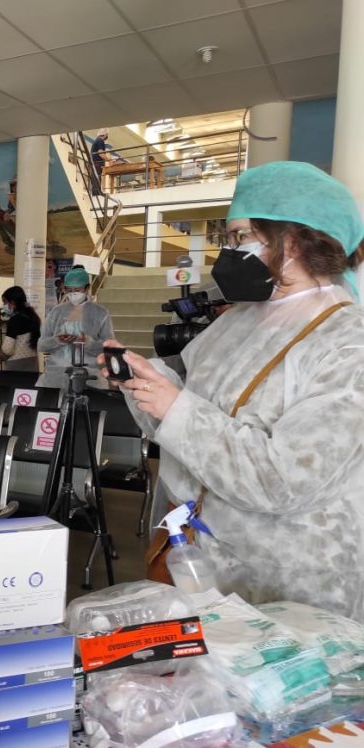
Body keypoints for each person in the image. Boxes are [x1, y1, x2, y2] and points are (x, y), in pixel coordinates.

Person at [103, 161, 364, 620]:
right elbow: (183, 417)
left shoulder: (348, 341)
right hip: (197, 559)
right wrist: (143, 383)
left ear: (294, 239)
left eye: (242, 236)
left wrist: (174, 406)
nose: (230, 251)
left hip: (287, 580)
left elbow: (285, 481)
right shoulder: (237, 321)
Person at [37, 267, 114, 389]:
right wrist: (57, 340)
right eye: (69, 290)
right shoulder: (57, 311)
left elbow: (110, 347)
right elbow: (41, 345)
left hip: (88, 375)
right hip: (56, 375)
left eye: (77, 290)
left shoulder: (100, 313)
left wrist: (89, 343)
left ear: (87, 288)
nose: (73, 293)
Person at [0, 286, 41, 372]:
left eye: (5, 302)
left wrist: (0, 356)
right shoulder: (33, 317)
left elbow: (8, 349)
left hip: (16, 365)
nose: (4, 306)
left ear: (12, 302)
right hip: (33, 362)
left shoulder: (15, 319)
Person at [90, 129, 111, 195]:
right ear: (105, 134)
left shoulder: (97, 140)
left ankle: (96, 192)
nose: (107, 136)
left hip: (95, 163)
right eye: (107, 134)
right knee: (97, 177)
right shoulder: (100, 141)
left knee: (96, 177)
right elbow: (101, 153)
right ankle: (96, 193)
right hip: (97, 163)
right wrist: (109, 160)